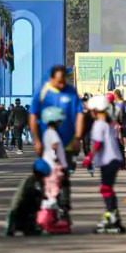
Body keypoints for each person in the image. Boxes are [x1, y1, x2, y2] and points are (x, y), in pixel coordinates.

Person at [29, 66, 85, 215]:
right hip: (47, 144)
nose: (62, 84)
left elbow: (80, 115)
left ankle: (63, 208)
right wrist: (36, 140)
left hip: (68, 143)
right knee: (47, 176)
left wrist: (78, 137)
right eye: (59, 81)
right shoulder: (42, 93)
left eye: (64, 81)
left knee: (63, 176)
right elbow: (33, 116)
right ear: (51, 78)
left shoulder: (71, 92)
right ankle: (48, 207)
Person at [82, 94, 126, 233]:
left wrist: (89, 157)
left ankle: (111, 215)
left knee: (105, 188)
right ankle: (113, 214)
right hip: (114, 159)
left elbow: (98, 143)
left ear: (95, 110)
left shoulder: (99, 125)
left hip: (108, 160)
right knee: (108, 188)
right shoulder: (109, 123)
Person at [37, 106, 71, 233]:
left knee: (52, 192)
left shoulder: (47, 133)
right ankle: (53, 217)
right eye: (59, 121)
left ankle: (51, 218)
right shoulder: (52, 133)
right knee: (56, 193)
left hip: (50, 166)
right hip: (54, 167)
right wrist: (58, 163)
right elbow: (55, 146)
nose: (61, 122)